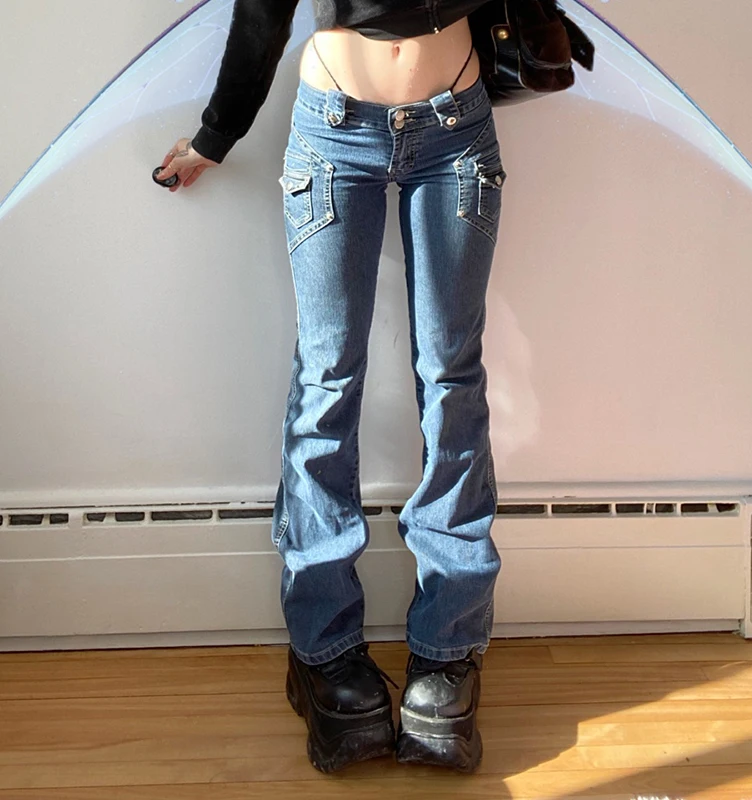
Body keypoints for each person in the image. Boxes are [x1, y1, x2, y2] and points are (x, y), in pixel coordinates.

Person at [157, 0, 506, 775]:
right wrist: (217, 134)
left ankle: (448, 648)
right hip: (334, 130)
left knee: (452, 381)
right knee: (327, 383)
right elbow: (262, 11)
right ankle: (324, 652)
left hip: (455, 129)